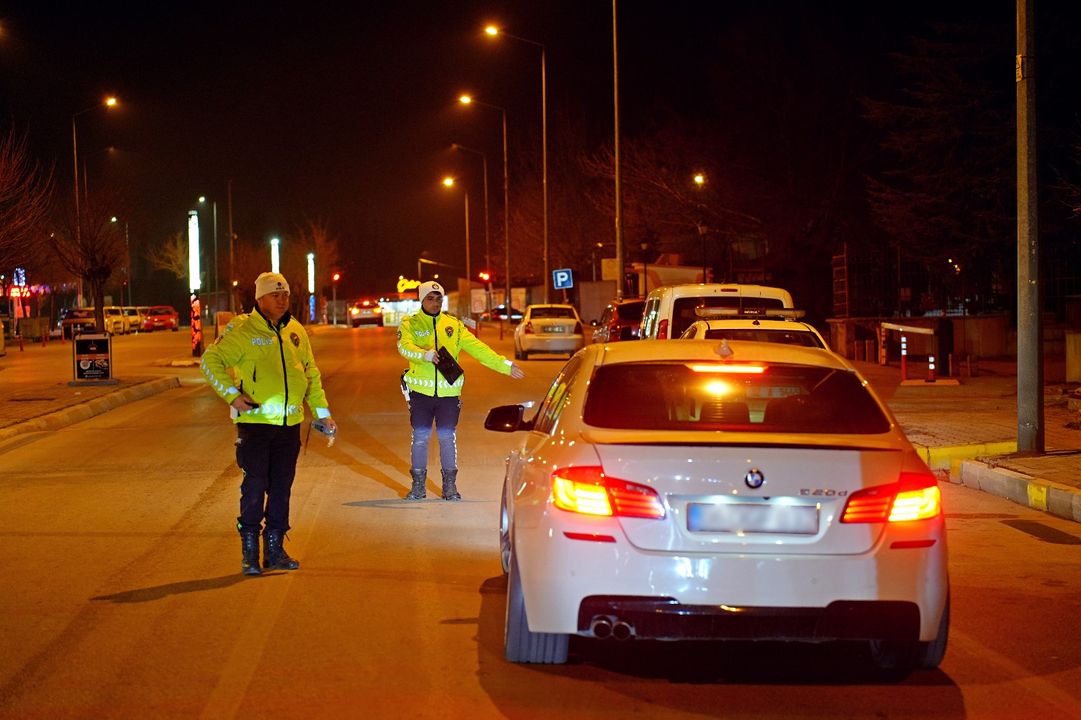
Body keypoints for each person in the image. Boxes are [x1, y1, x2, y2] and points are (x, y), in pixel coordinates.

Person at [201, 271, 337, 576]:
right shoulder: (242, 329)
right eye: (275, 295)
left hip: (290, 425)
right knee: (255, 485)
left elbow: (311, 374)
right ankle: (250, 551)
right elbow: (210, 362)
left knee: (281, 488)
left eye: (285, 294)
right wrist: (232, 397)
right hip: (256, 425)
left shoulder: (296, 332)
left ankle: (274, 549)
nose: (282, 300)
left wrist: (322, 411)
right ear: (259, 298)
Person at [397, 280, 524, 501]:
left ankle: (449, 487)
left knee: (447, 437)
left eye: (438, 299)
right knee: (420, 437)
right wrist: (424, 355)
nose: (435, 303)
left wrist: (505, 365)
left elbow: (478, 349)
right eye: (430, 298)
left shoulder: (453, 325)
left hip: (448, 394)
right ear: (422, 300)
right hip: (421, 394)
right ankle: (418, 487)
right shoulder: (410, 323)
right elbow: (404, 347)